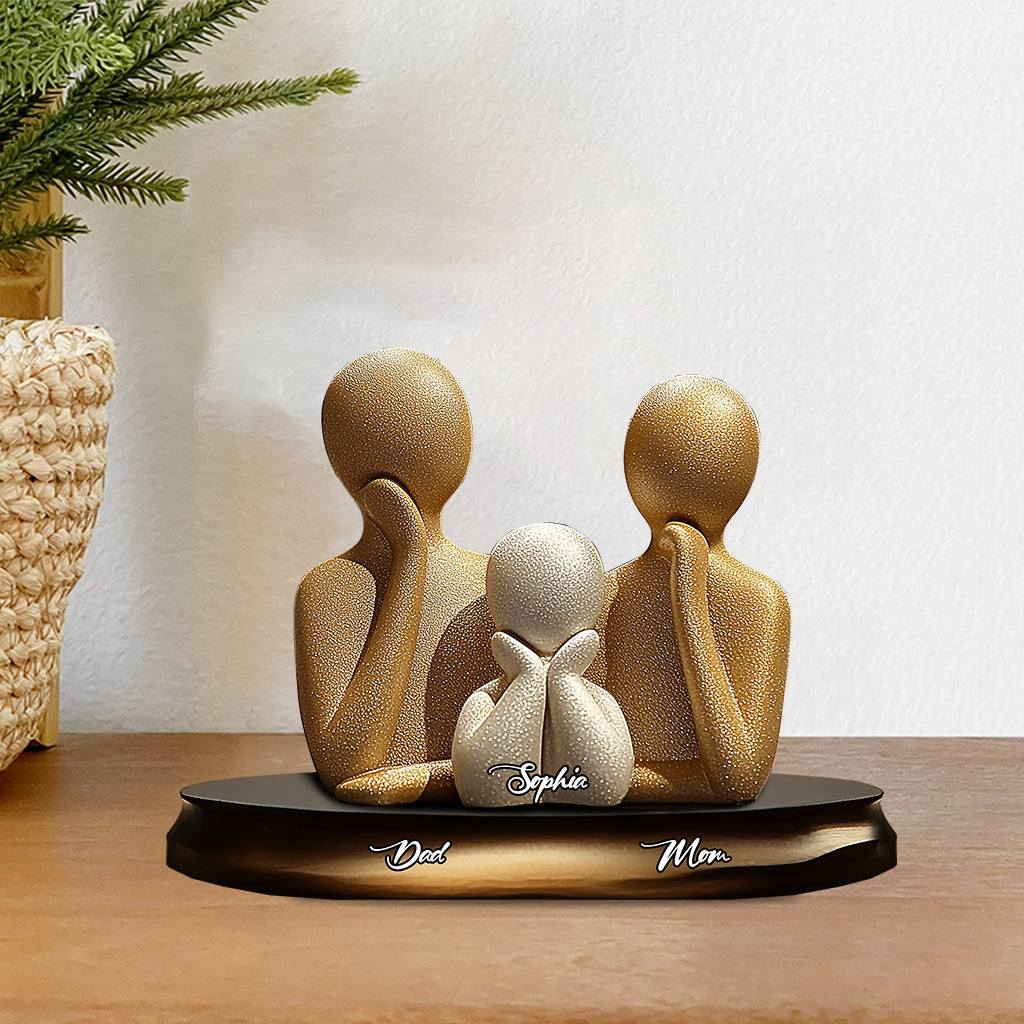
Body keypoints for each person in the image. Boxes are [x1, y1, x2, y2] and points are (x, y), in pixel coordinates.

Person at [295, 349, 494, 804]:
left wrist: (407, 782)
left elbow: (518, 752)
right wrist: (408, 560)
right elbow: (346, 767)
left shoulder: (491, 579)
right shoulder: (330, 588)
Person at [600, 376, 791, 804]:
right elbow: (581, 764)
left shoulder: (760, 601)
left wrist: (688, 598)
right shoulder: (606, 595)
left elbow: (739, 779)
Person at [452, 523, 633, 808]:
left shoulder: (599, 701)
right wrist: (528, 679)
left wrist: (565, 679)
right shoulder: (487, 700)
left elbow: (606, 785)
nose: (547, 606)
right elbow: (484, 790)